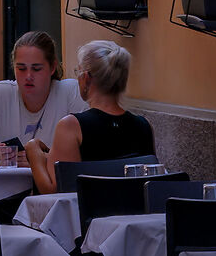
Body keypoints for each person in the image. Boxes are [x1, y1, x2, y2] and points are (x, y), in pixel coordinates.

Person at [25, 39, 154, 191]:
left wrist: (33, 153)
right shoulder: (144, 126)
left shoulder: (72, 127)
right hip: (134, 212)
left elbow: (55, 191)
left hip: (88, 214)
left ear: (85, 78)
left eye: (77, 72)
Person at [0, 30, 83, 168]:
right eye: (21, 69)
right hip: (9, 187)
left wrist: (39, 160)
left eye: (36, 69)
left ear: (52, 67)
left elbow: (85, 159)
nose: (28, 76)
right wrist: (6, 159)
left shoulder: (71, 93)